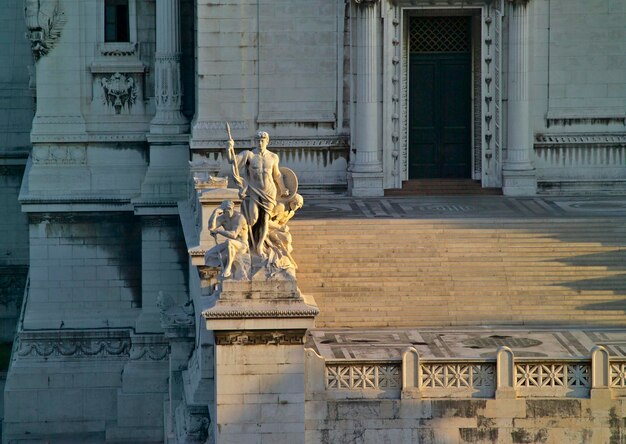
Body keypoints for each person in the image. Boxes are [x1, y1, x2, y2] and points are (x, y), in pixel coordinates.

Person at [226, 131, 289, 257]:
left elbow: (276, 174)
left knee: (265, 220)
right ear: (255, 141)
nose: (260, 143)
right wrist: (229, 148)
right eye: (258, 141)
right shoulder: (249, 155)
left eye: (262, 141)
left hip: (269, 191)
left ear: (267, 142)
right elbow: (232, 161)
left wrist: (283, 188)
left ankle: (260, 246)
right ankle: (245, 240)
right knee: (253, 218)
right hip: (254, 190)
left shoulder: (273, 157)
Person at [204, 200, 249, 279]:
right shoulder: (223, 217)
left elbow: (234, 235)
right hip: (229, 245)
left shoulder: (239, 218)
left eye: (229, 209)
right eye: (225, 210)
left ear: (232, 208)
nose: (227, 212)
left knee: (229, 241)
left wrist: (218, 231)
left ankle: (228, 268)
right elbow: (211, 228)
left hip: (241, 245)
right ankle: (223, 268)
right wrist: (214, 213)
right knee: (208, 255)